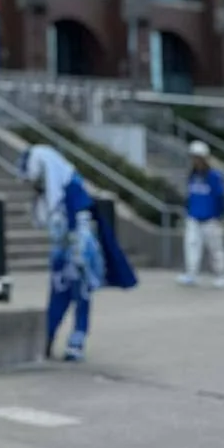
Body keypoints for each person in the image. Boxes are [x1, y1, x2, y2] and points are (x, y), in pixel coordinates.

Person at [15, 143, 138, 362]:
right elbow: (47, 219)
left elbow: (83, 222)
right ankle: (48, 338)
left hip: (79, 249)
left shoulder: (71, 186)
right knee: (57, 296)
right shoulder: (49, 191)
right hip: (60, 251)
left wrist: (80, 252)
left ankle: (76, 342)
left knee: (81, 295)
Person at [178, 139, 224, 287]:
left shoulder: (214, 176)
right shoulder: (192, 176)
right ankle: (191, 273)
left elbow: (220, 197)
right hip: (194, 217)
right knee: (191, 246)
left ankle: (220, 275)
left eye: (198, 158)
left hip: (211, 219)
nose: (195, 161)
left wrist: (219, 215)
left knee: (216, 248)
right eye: (193, 158)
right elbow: (189, 196)